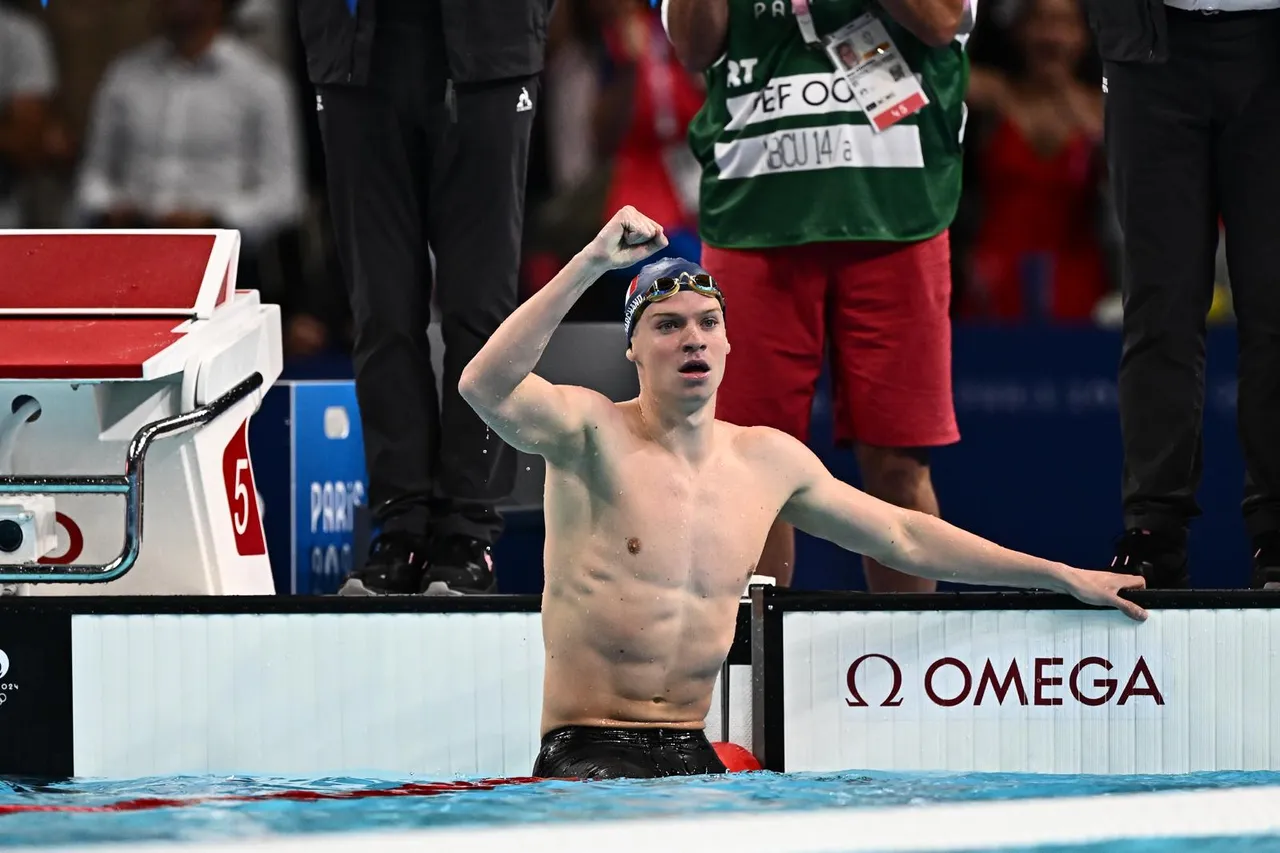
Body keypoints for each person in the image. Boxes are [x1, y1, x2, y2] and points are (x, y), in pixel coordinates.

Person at [459, 206, 1149, 781]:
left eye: (707, 323)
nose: (692, 338)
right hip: (589, 751)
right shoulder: (589, 432)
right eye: (668, 325)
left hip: (691, 751)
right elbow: (482, 385)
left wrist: (1056, 574)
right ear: (633, 349)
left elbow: (903, 535)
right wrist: (589, 264)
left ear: (729, 346)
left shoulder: (766, 459)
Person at [662, 0, 976, 593]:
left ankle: (901, 670)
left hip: (896, 210)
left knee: (898, 466)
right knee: (753, 466)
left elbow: (938, 20)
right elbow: (693, 46)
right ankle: (762, 673)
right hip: (756, 214)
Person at [295, 0, 554, 596]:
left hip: (488, 49)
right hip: (355, 51)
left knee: (481, 311)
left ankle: (469, 530)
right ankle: (399, 523)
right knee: (380, 311)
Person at [1082, 0, 1280, 589]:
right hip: (1150, 45)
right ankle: (1154, 531)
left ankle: (1276, 529)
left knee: (1275, 308)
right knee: (1159, 306)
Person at [74, 0, 302, 294]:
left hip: (222, 258)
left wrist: (215, 219)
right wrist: (108, 205)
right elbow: (93, 175)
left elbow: (284, 196)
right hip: (134, 247)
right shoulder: (124, 75)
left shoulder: (261, 84)